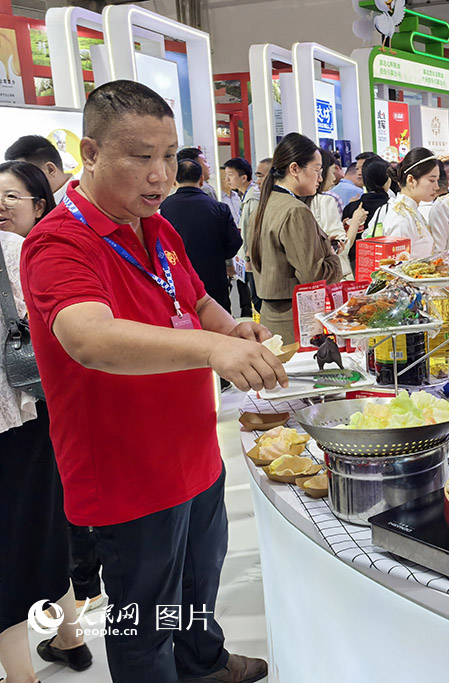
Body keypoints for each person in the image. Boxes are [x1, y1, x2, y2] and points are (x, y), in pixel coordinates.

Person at [22, 80, 283, 683]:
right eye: (141, 157)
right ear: (90, 153)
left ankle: (203, 664)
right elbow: (91, 338)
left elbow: (196, 301)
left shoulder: (157, 228)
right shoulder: (59, 242)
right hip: (127, 471)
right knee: (142, 621)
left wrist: (233, 329)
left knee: (199, 581)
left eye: (169, 156)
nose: (161, 174)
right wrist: (211, 348)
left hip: (192, 450)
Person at [0, 161, 93, 683]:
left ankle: (20, 675)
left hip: (14, 417)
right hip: (35, 407)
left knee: (9, 546)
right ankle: (70, 637)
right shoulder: (18, 250)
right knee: (45, 526)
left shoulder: (20, 250)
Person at [249, 133, 343, 342]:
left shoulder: (265, 205)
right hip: (293, 323)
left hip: (271, 317)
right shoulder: (295, 210)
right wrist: (332, 256)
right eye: (317, 170)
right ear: (294, 169)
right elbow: (314, 276)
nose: (320, 178)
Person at [160, 159, 243, 313]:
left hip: (176, 279)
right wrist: (218, 255)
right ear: (201, 180)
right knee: (220, 326)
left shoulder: (163, 209)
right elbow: (234, 243)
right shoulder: (219, 208)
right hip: (214, 277)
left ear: (174, 180)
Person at [374, 147, 440, 260]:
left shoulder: (411, 211)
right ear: (411, 180)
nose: (437, 187)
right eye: (431, 180)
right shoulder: (401, 218)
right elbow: (397, 268)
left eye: (437, 180)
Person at [310, 147, 354, 280]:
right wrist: (356, 221)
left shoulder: (294, 201)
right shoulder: (326, 200)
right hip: (331, 274)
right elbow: (342, 244)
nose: (334, 178)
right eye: (331, 172)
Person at [342, 155, 389, 276]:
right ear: (387, 179)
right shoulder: (391, 207)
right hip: (385, 267)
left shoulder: (352, 207)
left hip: (355, 268)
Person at [226, 157, 261, 315]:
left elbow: (254, 229)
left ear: (244, 177)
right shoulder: (244, 196)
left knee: (256, 297)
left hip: (251, 257)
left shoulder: (253, 197)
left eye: (231, 175)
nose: (227, 179)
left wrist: (248, 256)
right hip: (244, 255)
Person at [5, 135, 74, 205]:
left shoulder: (81, 199)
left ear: (50, 170)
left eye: (25, 175)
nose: (21, 183)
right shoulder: (32, 202)